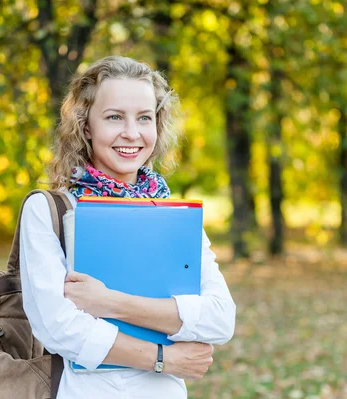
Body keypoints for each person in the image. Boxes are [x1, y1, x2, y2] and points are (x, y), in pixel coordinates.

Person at [19, 55, 237, 398]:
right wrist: (164, 358)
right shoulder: (48, 211)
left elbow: (220, 319)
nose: (132, 133)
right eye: (114, 117)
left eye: (144, 118)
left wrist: (108, 302)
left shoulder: (172, 213)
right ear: (86, 125)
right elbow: (57, 326)